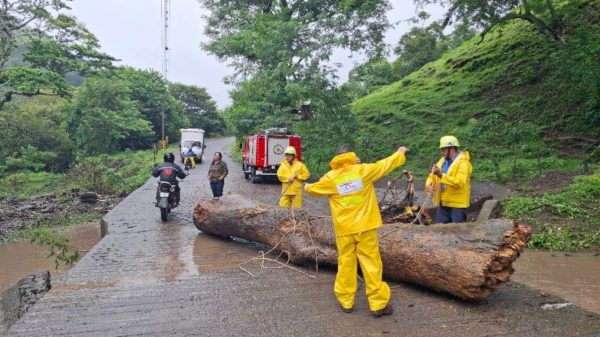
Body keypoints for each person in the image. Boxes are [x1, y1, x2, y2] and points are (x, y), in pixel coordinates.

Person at [304, 144, 408, 317]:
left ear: (336, 159)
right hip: (365, 227)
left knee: (346, 264)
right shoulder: (363, 171)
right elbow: (385, 165)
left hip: (345, 230)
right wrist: (399, 153)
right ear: (352, 156)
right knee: (371, 264)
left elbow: (314, 189)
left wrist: (306, 186)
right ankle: (378, 304)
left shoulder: (331, 178)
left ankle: (346, 302)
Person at [425, 135, 473, 223]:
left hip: (458, 205)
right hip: (444, 203)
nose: (441, 152)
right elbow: (432, 175)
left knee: (457, 232)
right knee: (439, 230)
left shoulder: (463, 163)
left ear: (452, 149)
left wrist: (441, 175)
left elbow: (459, 182)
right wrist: (428, 185)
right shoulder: (442, 161)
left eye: (443, 149)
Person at [276, 146, 310, 217]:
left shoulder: (300, 165)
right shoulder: (283, 165)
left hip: (296, 192)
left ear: (293, 155)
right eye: (286, 155)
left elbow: (307, 175)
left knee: (296, 212)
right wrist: (288, 179)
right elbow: (279, 176)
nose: (287, 157)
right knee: (283, 210)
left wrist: (298, 176)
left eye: (289, 155)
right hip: (286, 191)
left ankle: (295, 225)